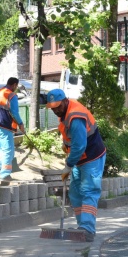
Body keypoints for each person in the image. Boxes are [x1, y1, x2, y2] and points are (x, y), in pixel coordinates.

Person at [46, 89, 107, 242]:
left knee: (89, 191)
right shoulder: (64, 113)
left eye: (57, 106)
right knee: (74, 192)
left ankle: (87, 229)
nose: (55, 110)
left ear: (65, 101)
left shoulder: (75, 116)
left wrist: (68, 165)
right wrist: (66, 147)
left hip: (92, 157)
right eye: (52, 108)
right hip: (80, 159)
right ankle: (81, 228)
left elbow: (79, 145)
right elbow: (71, 139)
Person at [0, 77, 25, 184]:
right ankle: (5, 174)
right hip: (4, 124)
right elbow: (14, 112)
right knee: (8, 150)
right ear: (14, 85)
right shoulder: (11, 95)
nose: (16, 88)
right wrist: (21, 124)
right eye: (16, 86)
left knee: (1, 149)